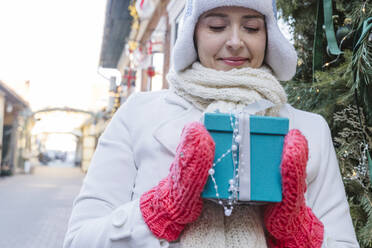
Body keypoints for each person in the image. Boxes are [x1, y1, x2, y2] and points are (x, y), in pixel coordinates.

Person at [63, 0, 360, 247]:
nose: (234, 41)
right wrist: (162, 210)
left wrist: (297, 230)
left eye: (251, 27)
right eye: (216, 26)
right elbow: (78, 240)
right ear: (193, 34)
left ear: (268, 35)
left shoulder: (308, 129)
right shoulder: (138, 115)